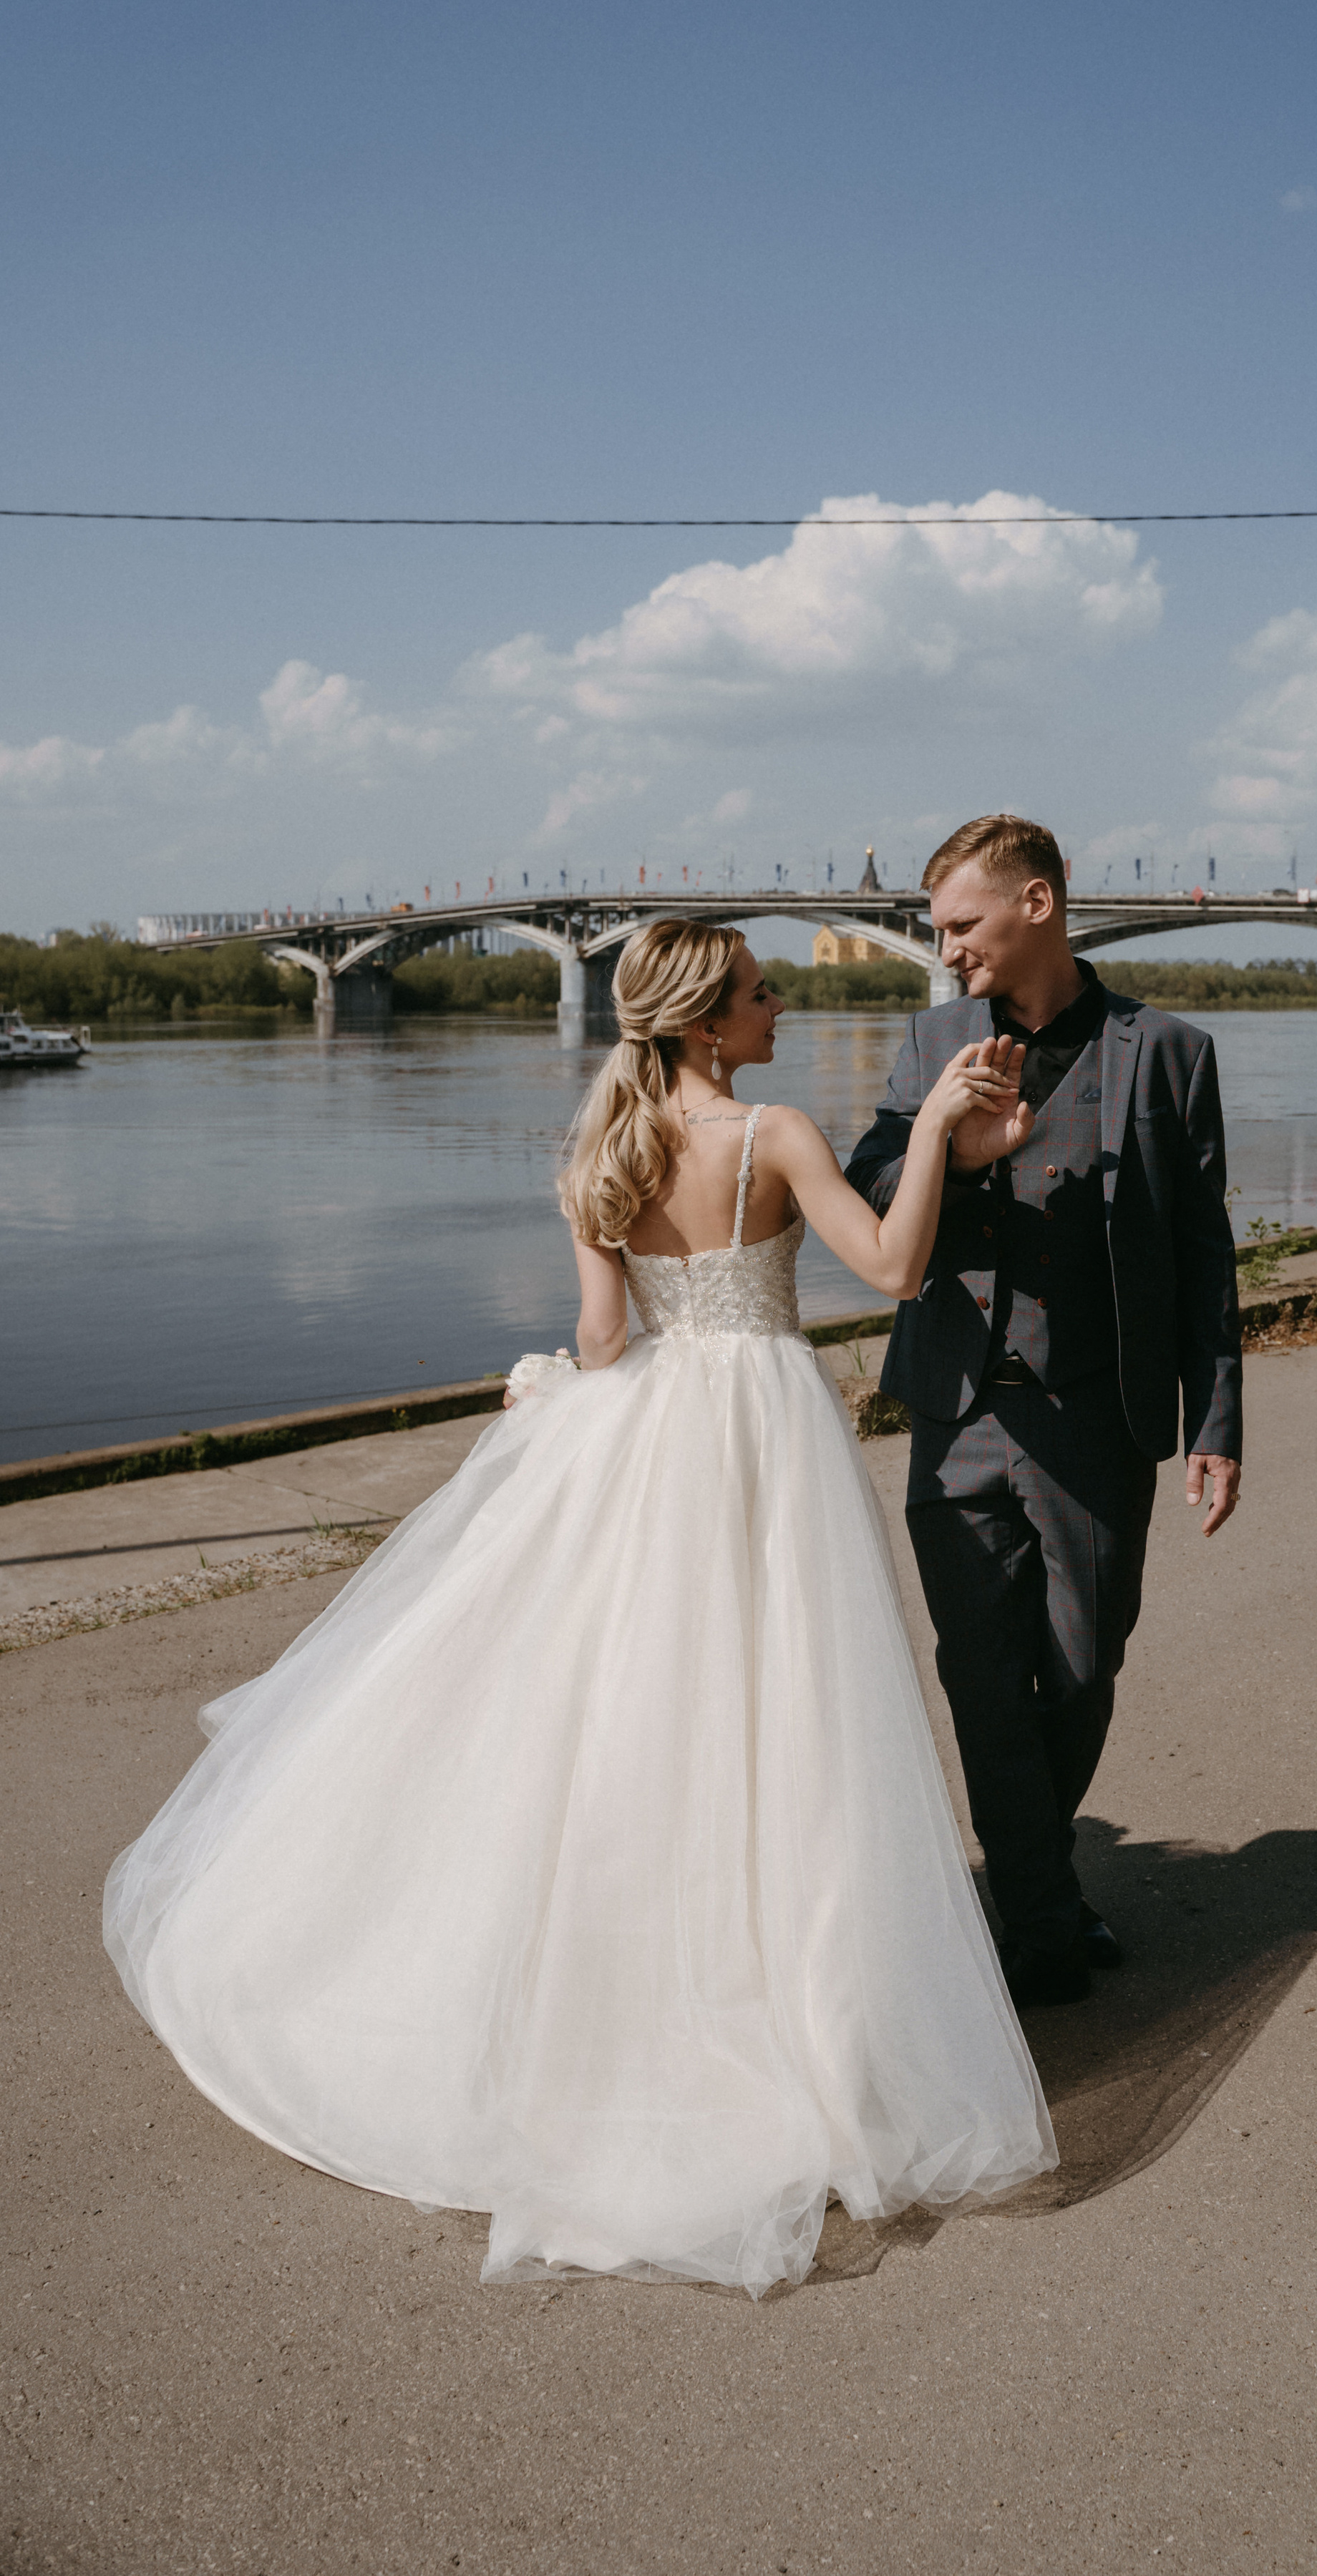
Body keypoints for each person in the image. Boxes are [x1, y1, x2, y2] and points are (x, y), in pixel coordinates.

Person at [104, 919, 1056, 2296]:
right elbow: (898, 1269)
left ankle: (610, 1993)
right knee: (776, 1707)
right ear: (704, 1023)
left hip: (654, 1430)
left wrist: (549, 1384)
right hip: (766, 1431)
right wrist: (929, 1144)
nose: (779, 1003)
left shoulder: (599, 1151)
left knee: (632, 1709)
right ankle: (790, 2002)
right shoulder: (777, 1132)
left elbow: (605, 1340)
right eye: (757, 992)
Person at [846, 815, 1243, 2009]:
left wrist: (1217, 1421)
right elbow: (868, 1181)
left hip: (1095, 1418)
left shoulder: (1168, 1052)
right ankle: (1043, 1923)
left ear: (1038, 903)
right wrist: (951, 1150)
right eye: (938, 930)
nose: (947, 949)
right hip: (956, 1412)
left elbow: (1203, 1256)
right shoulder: (930, 1043)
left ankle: (1029, 1888)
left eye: (962, 925)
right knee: (978, 1678)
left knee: (1080, 1670)